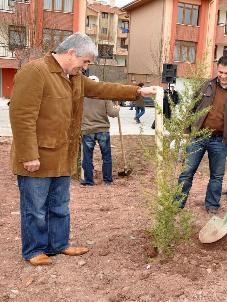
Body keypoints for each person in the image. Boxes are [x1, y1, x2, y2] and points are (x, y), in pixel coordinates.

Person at [9, 33, 156, 266]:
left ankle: (58, 244)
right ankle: (35, 250)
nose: (85, 66)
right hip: (37, 156)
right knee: (35, 208)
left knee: (59, 205)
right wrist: (28, 155)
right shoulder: (34, 72)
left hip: (62, 156)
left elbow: (103, 89)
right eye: (85, 61)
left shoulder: (73, 78)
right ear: (71, 53)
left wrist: (137, 91)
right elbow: (21, 116)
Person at [177, 56, 227, 213]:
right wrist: (186, 132)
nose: (223, 76)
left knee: (217, 176)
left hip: (219, 140)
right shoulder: (206, 86)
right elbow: (191, 108)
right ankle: (177, 203)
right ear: (216, 69)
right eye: (220, 72)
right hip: (198, 136)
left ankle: (212, 205)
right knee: (186, 173)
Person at [81, 75, 120, 186]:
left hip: (87, 130)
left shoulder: (82, 97)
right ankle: (107, 180)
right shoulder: (104, 96)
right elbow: (112, 113)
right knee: (106, 156)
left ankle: (89, 181)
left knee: (87, 157)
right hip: (102, 129)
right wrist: (117, 109)